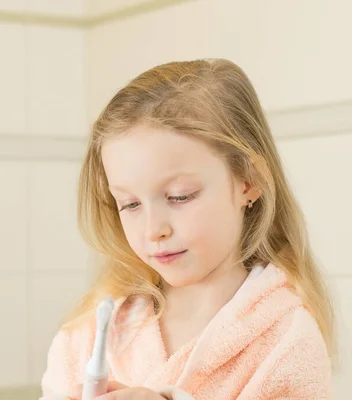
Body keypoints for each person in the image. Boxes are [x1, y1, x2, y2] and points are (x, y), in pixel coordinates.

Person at [41, 58, 335, 400]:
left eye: (180, 196)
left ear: (248, 181)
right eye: (130, 204)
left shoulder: (287, 340)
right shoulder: (90, 334)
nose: (153, 229)